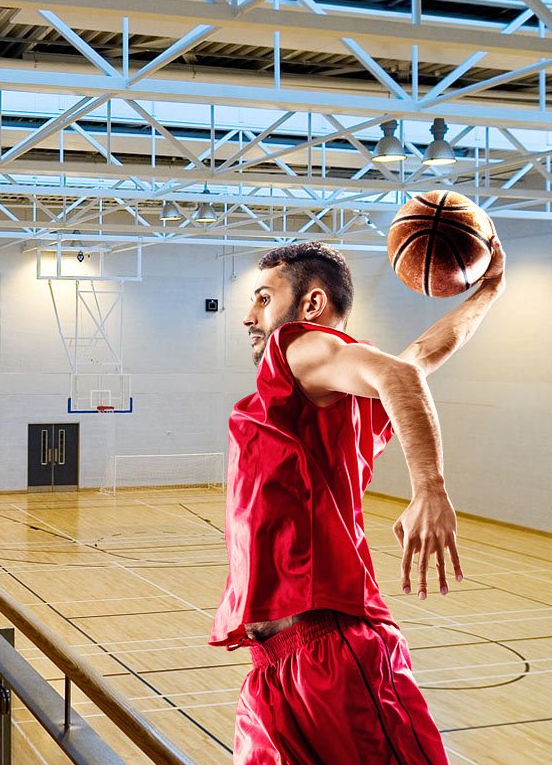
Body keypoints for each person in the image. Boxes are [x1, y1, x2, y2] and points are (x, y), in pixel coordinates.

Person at [210, 238, 505, 764]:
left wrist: (430, 488)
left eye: (261, 298)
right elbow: (418, 357)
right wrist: (487, 293)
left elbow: (400, 373)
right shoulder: (330, 393)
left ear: (311, 305)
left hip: (331, 652)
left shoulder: (297, 347)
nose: (248, 317)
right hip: (276, 662)